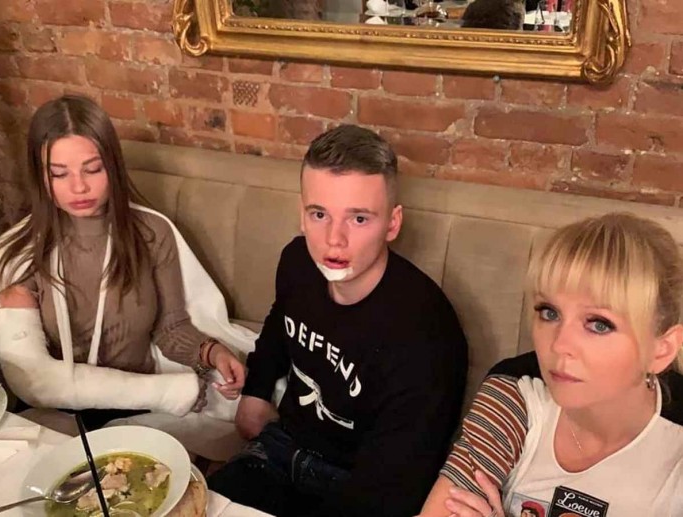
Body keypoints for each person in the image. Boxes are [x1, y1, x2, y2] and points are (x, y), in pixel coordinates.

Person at [208, 124, 469, 517]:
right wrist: (256, 391)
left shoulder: (427, 335)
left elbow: (393, 487)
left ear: (393, 223)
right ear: (302, 214)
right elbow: (281, 321)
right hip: (280, 450)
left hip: (357, 485)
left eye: (358, 219)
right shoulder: (297, 262)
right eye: (319, 214)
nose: (334, 239)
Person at [0, 95, 251, 431]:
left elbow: (170, 329)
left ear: (112, 166)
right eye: (59, 174)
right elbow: (34, 379)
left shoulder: (152, 234)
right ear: (42, 177)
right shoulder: (22, 254)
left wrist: (212, 352)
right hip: (59, 416)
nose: (79, 186)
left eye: (93, 169)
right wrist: (169, 392)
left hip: (142, 410)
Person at [420, 212, 683, 517]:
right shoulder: (515, 392)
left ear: (661, 351)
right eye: (549, 313)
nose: (559, 345)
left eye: (599, 324)